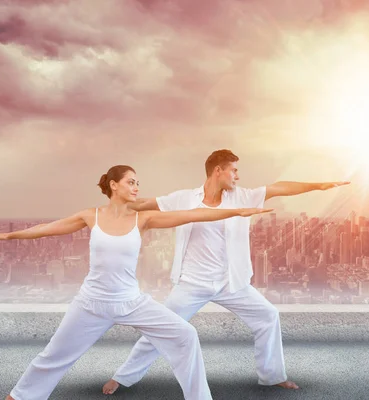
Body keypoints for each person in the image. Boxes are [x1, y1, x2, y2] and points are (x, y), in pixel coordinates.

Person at [0, 164, 272, 400]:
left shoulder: (143, 219)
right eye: (131, 182)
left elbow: (192, 214)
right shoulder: (91, 216)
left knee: (186, 335)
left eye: (138, 183)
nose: (137, 187)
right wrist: (11, 236)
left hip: (132, 302)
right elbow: (47, 229)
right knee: (53, 355)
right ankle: (19, 396)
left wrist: (237, 211)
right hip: (91, 303)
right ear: (113, 185)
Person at [103, 150, 350, 395]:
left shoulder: (243, 197)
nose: (237, 176)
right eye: (234, 170)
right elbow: (145, 204)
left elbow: (278, 188)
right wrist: (114, 203)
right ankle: (122, 377)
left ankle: (272, 376)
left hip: (231, 283)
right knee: (162, 328)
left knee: (268, 316)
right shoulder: (185, 198)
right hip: (192, 283)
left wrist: (318, 186)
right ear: (218, 170)